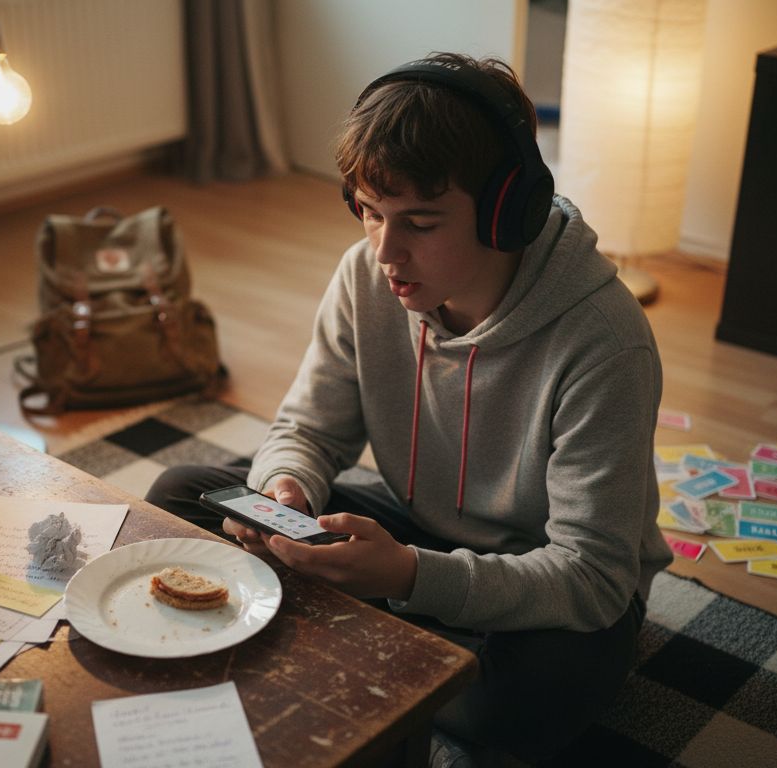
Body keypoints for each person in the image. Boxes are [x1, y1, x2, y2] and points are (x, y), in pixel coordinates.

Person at [146, 51, 670, 762]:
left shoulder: (604, 341)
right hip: (416, 535)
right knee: (180, 494)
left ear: (503, 213)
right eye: (368, 213)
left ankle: (364, 629)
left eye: (420, 224)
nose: (386, 251)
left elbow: (593, 576)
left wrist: (411, 577)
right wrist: (286, 487)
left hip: (550, 581)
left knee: (519, 707)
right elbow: (306, 428)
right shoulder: (366, 274)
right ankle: (403, 644)